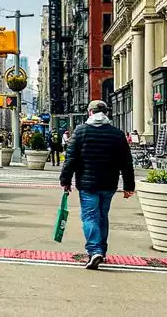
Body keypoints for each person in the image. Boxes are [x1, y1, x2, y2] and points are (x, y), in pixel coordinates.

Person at [60, 100, 135, 270]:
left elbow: (70, 159)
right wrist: (129, 186)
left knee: (89, 216)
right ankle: (102, 250)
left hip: (87, 184)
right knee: (102, 216)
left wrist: (65, 181)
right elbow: (126, 162)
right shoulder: (117, 134)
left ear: (90, 113)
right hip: (109, 184)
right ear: (106, 113)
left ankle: (94, 251)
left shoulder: (81, 131)